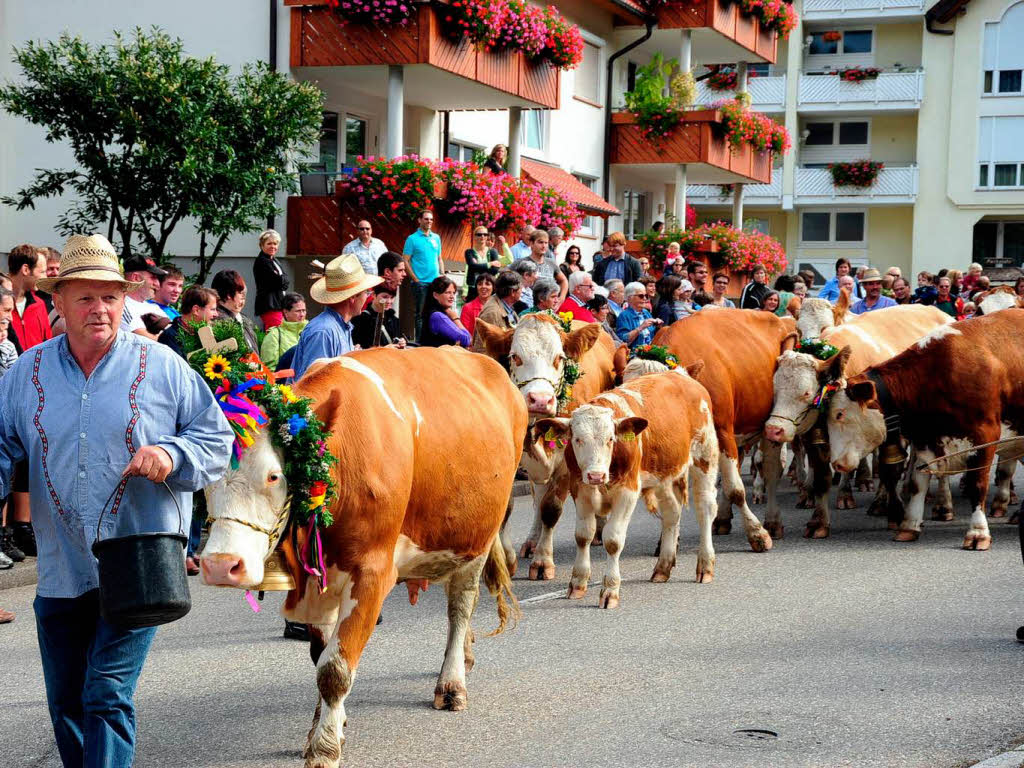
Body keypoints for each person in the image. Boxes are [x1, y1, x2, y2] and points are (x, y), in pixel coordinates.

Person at [0, 233, 233, 767]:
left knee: (105, 693)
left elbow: (217, 441)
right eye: (84, 296)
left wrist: (172, 455)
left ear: (125, 300)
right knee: (67, 703)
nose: (99, 308)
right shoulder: (24, 374)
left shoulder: (163, 366)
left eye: (110, 296)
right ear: (57, 301)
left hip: (139, 561)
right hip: (61, 566)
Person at [292, 254, 383, 378]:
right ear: (352, 297)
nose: (368, 297)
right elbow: (314, 386)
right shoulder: (323, 331)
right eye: (366, 292)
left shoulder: (340, 327)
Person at [403, 210, 444, 342]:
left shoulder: (436, 238)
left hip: (436, 283)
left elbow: (440, 258)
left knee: (436, 313)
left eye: (431, 219)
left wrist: (442, 275)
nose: (429, 221)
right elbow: (405, 260)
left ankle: (432, 341)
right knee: (420, 314)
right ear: (419, 220)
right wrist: (415, 279)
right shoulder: (412, 239)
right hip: (420, 283)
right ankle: (419, 343)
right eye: (426, 219)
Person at [7, 243, 52, 351]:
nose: (45, 277)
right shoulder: (2, 306)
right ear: (26, 269)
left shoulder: (39, 304)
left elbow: (49, 345)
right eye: (42, 272)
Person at [157, 285, 220, 359]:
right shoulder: (169, 338)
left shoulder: (211, 333)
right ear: (196, 310)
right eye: (212, 309)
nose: (216, 314)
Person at [471, 270, 522, 353]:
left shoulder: (507, 306)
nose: (521, 292)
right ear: (513, 292)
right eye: (521, 289)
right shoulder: (492, 313)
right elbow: (482, 349)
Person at [121, 255, 167, 339]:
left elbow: (178, 334)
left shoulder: (154, 307)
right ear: (136, 278)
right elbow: (146, 340)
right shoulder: (121, 306)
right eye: (153, 278)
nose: (157, 284)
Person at [211, 270, 258, 352]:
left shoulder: (243, 319)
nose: (243, 297)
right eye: (240, 292)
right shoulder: (219, 322)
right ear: (228, 295)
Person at [253, 229, 290, 331]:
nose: (273, 246)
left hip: (278, 304)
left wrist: (281, 278)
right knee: (275, 334)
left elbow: (286, 281)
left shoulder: (274, 260)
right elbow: (277, 282)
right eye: (269, 243)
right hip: (270, 305)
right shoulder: (262, 262)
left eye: (275, 243)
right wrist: (281, 279)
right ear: (262, 245)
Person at [259, 292, 309, 368]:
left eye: (304, 310)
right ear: (286, 312)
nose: (302, 314)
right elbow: (269, 369)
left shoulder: (311, 331)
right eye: (298, 311)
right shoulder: (274, 335)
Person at [419, 276, 471, 348]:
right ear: (435, 295)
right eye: (448, 292)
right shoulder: (437, 316)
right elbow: (466, 340)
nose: (452, 296)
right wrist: (455, 318)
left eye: (453, 293)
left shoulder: (433, 312)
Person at [352, 284, 404, 349]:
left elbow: (397, 338)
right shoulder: (360, 320)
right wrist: (384, 349)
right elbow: (358, 348)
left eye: (392, 297)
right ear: (373, 295)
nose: (389, 301)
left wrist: (401, 342)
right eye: (385, 297)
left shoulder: (394, 319)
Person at [616, 281, 662, 348]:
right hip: (634, 353)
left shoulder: (646, 312)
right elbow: (623, 339)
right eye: (641, 296)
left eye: (646, 295)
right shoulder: (624, 315)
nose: (645, 298)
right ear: (630, 298)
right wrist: (641, 327)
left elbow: (652, 334)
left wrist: (657, 324)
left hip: (650, 350)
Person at [464, 226, 501, 301]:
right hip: (473, 289)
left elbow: (495, 271)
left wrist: (478, 268)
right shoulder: (469, 252)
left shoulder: (493, 252)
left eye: (485, 234)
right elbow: (472, 266)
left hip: (490, 289)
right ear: (474, 236)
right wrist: (489, 264)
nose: (482, 236)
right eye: (479, 234)